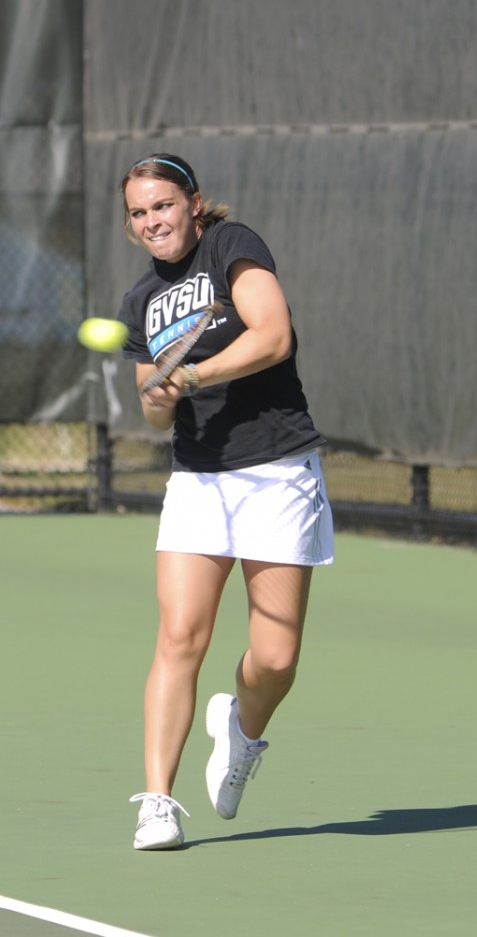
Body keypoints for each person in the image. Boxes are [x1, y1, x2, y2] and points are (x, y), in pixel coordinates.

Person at [117, 153, 334, 850]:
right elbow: (155, 413)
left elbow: (273, 336)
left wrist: (196, 372)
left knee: (275, 660)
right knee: (180, 635)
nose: (154, 220)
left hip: (277, 470)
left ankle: (239, 732)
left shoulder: (231, 248)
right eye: (140, 212)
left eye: (163, 205)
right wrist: (158, 394)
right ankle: (156, 803)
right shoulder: (141, 302)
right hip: (199, 478)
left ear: (192, 203)